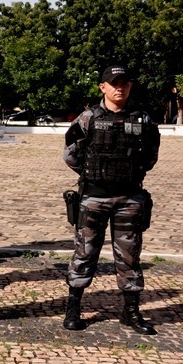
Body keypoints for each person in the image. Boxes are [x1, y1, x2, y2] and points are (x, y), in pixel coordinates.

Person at [63, 64, 160, 335]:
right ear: (102, 87)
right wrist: (95, 175)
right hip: (93, 198)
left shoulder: (143, 120)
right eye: (114, 83)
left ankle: (131, 312)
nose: (120, 88)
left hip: (129, 198)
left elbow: (150, 157)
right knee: (84, 253)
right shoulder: (87, 118)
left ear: (130, 86)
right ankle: (73, 308)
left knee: (130, 256)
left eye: (124, 83)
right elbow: (70, 155)